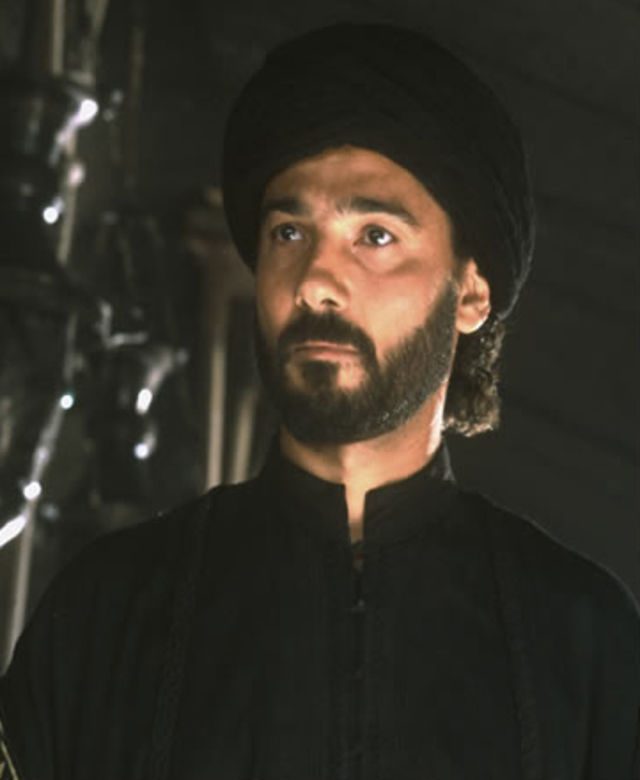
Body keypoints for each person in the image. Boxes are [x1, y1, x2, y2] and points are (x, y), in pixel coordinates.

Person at [1, 22, 638, 780]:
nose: (314, 281)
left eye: (374, 236)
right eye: (288, 231)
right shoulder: (107, 611)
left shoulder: (581, 641)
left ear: (470, 293)